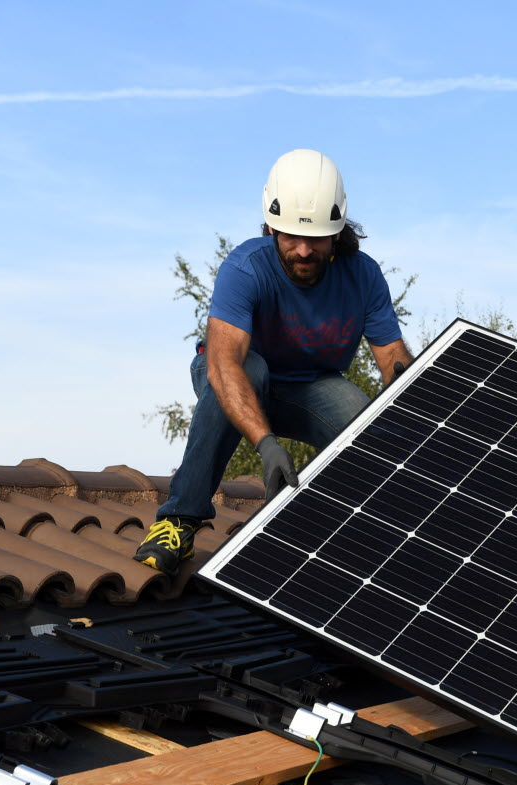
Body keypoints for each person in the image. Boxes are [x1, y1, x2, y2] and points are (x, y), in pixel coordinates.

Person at [135, 148, 413, 575]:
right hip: (238, 373)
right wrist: (266, 445)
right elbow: (224, 363)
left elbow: (393, 358)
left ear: (337, 232)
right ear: (269, 227)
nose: (303, 250)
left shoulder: (364, 276)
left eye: (316, 238)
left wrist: (417, 401)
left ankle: (363, 538)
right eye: (290, 237)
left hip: (311, 386)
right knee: (250, 370)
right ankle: (177, 520)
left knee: (362, 422)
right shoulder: (246, 268)